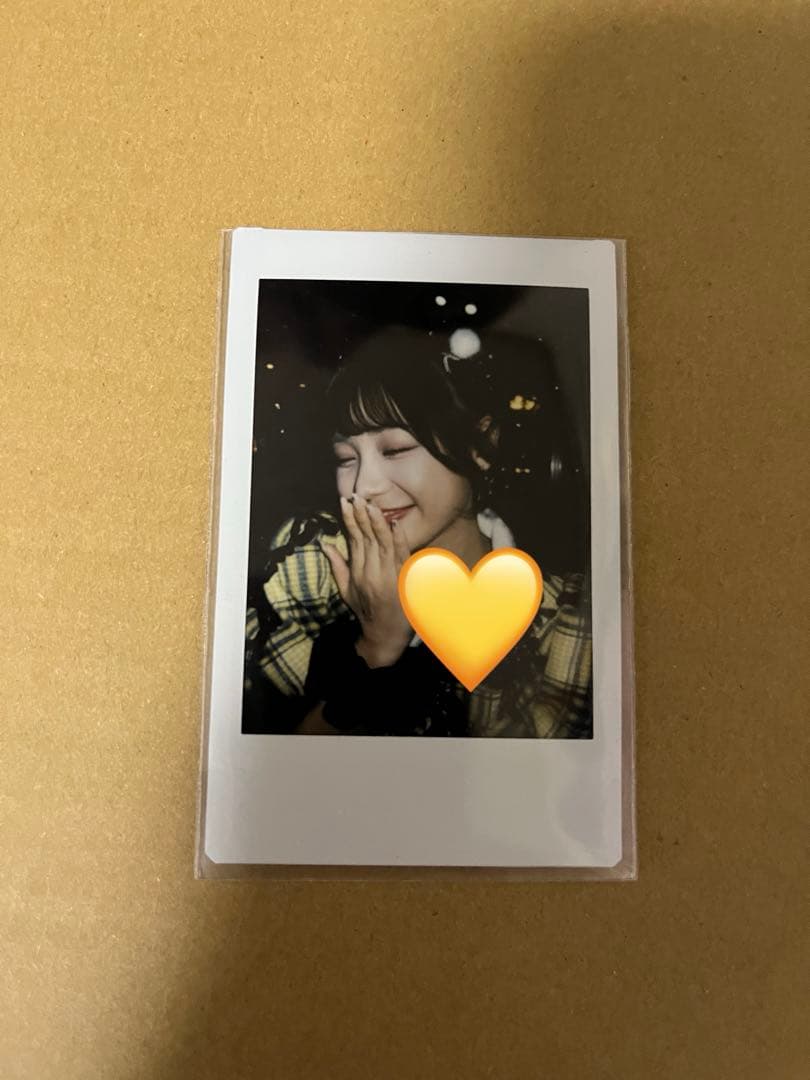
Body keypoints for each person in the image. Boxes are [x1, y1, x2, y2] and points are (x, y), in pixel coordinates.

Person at [243, 327, 592, 737]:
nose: (364, 486)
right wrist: (376, 646)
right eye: (345, 458)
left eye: (395, 450)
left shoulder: (569, 618)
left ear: (480, 446)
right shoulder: (308, 566)